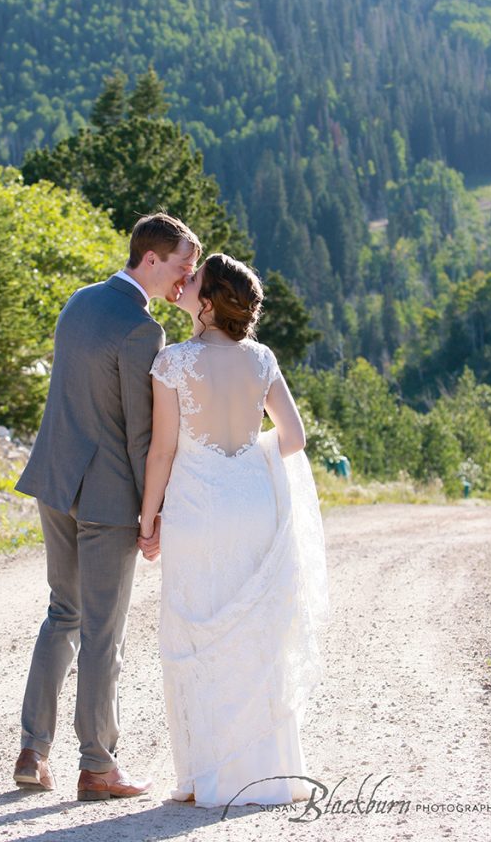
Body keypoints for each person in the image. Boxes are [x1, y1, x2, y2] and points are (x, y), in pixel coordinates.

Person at [13, 213, 200, 801]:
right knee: (103, 633)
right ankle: (97, 765)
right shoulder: (142, 332)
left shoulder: (80, 301)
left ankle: (32, 750)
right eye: (181, 266)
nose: (186, 278)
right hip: (106, 497)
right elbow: (143, 437)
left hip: (54, 480)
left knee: (61, 614)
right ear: (151, 260)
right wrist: (153, 514)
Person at [138, 253, 329, 807]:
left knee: (197, 633)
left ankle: (207, 778)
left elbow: (163, 451)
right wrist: (246, 458)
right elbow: (292, 438)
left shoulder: (172, 363)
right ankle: (269, 772)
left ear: (206, 302)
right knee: (256, 632)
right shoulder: (263, 359)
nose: (185, 282)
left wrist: (148, 518)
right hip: (252, 504)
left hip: (196, 510)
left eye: (194, 279)